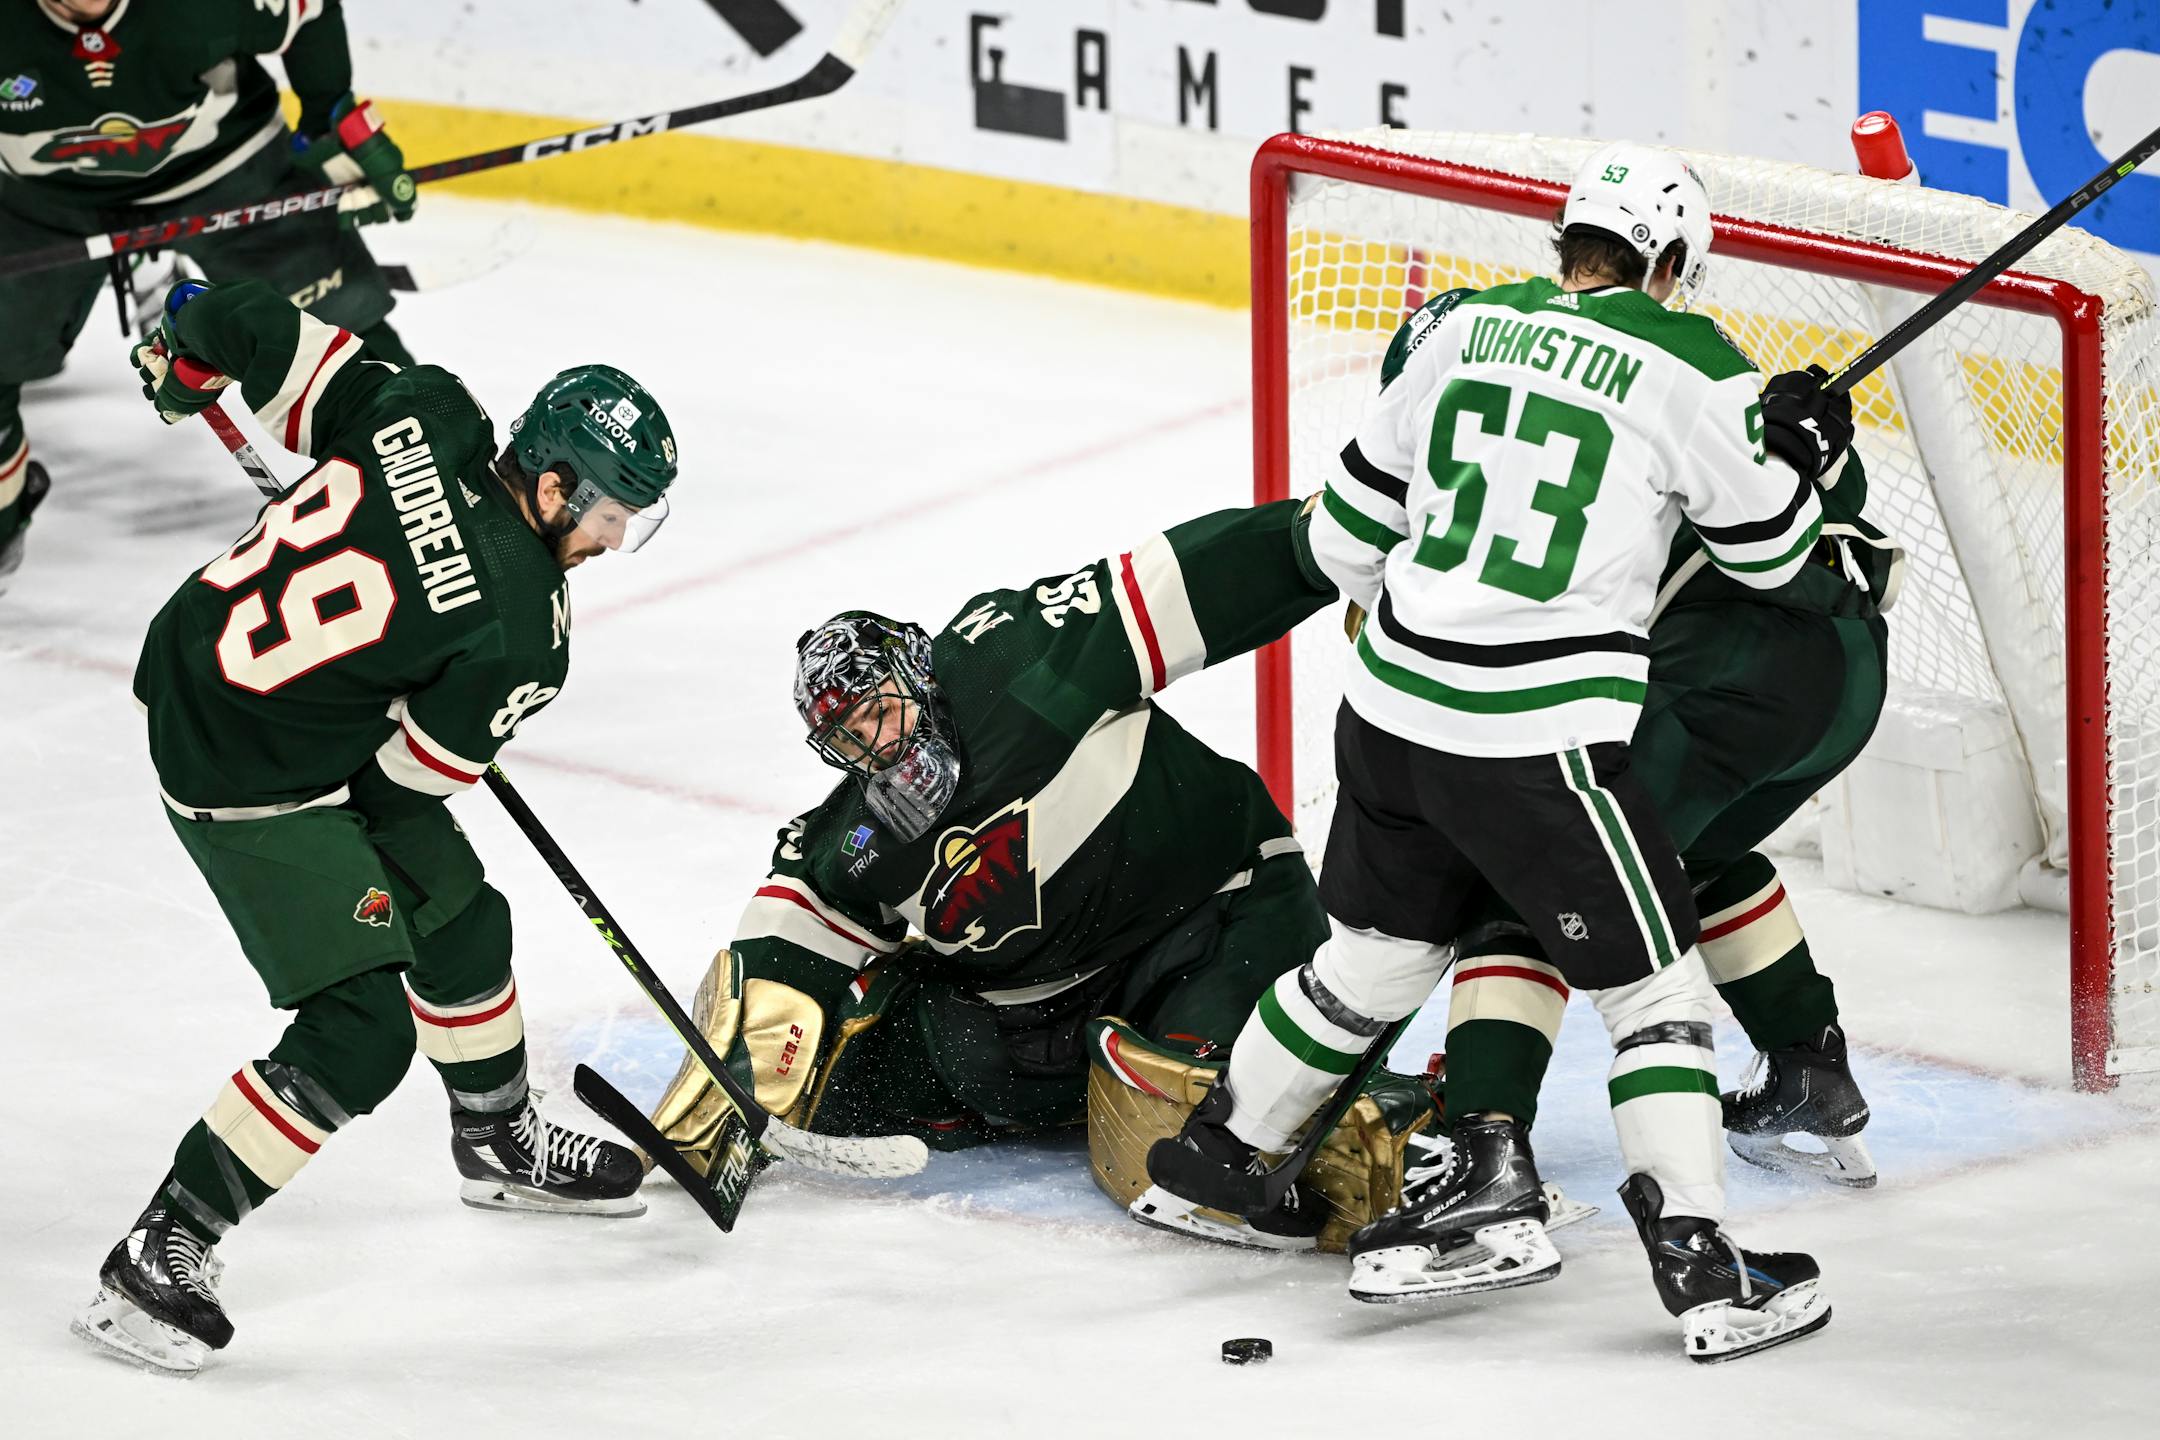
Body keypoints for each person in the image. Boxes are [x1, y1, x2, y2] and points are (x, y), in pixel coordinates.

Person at [1149, 141, 1851, 1363]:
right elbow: (1775, 562)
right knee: (1658, 995)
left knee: (1371, 958)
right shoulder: (1690, 361)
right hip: (1539, 746)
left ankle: (1223, 1158)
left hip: (1387, 717)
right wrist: (1803, 456)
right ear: (1673, 262)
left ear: (1564, 239)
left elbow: (1348, 537)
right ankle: (1700, 1261)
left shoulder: (1457, 332)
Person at [73, 276, 676, 1376]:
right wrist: (416, 699)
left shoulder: (427, 408)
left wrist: (187, 358)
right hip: (247, 774)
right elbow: (398, 794)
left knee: (464, 920)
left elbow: (240, 319)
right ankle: (162, 1248)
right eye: (605, 513)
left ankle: (495, 1137)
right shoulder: (524, 633)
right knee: (362, 1033)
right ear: (549, 487)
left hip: (194, 652)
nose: (611, 536)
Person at [645, 501, 1451, 1254]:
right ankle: (1079, 1086)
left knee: (1203, 1127)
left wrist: (1339, 532)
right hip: (1036, 1018)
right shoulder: (860, 836)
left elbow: (1182, 584)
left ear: (916, 669)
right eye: (849, 735)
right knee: (842, 1072)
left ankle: (1413, 1117)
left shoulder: (1020, 657)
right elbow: (787, 935)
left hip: (1212, 916)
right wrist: (727, 1072)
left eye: (878, 708)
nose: (877, 743)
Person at [1442, 431, 1898, 1191]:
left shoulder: (1492, 447)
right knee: (1697, 856)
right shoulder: (1677, 377)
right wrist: (1811, 441)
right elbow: (1830, 499)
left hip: (1723, 679)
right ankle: (1808, 1067)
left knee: (1536, 880)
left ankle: (1483, 1148)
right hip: (1847, 677)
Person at [0, 0, 417, 592]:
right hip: (40, 203)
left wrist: (329, 117)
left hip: (226, 170)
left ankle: (434, 496)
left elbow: (310, 10)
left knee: (349, 330)